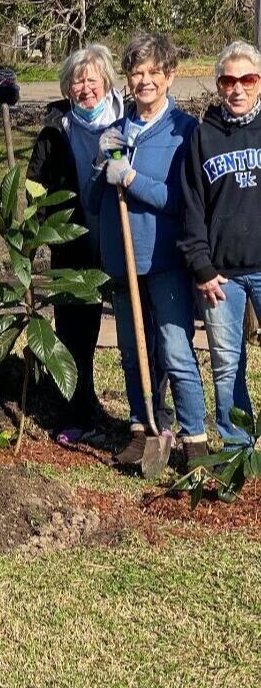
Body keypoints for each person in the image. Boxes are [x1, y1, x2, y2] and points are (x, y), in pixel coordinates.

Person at [87, 33, 207, 467]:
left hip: (164, 259)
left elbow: (182, 200)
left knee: (175, 350)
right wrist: (102, 168)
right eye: (137, 72)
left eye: (154, 72)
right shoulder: (116, 131)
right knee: (133, 351)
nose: (145, 80)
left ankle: (195, 440)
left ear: (170, 76)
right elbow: (94, 201)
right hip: (123, 260)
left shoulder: (184, 132)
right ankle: (141, 429)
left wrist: (133, 179)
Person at [26, 44, 124, 445]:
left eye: (91, 79)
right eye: (76, 81)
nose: (84, 88)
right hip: (74, 246)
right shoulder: (56, 128)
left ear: (106, 81)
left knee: (144, 333)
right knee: (75, 335)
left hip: (123, 243)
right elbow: (35, 187)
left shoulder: (126, 121)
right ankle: (79, 414)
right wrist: (43, 228)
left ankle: (149, 418)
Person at [179, 40, 261, 443]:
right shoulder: (203, 137)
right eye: (229, 80)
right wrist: (202, 267)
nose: (238, 88)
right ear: (218, 84)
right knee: (228, 366)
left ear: (259, 83)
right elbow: (192, 208)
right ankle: (236, 452)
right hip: (222, 277)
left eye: (248, 78)